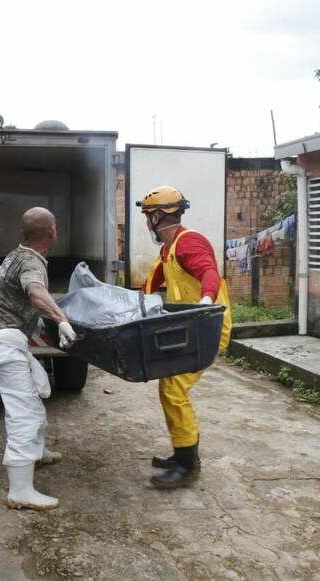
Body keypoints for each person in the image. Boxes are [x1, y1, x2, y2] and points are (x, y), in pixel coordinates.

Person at [0, 207, 77, 511]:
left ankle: (37, 450)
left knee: (35, 393)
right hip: (2, 344)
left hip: (2, 339)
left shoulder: (16, 254)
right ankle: (20, 491)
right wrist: (61, 319)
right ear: (52, 232)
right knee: (23, 411)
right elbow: (36, 293)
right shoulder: (31, 262)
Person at [137, 186, 232, 489]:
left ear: (158, 216)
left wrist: (206, 302)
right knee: (169, 387)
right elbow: (150, 285)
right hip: (188, 327)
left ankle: (188, 464)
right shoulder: (169, 249)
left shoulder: (189, 243)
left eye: (148, 216)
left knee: (174, 388)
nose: (147, 222)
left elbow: (209, 273)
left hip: (207, 326)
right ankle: (182, 454)